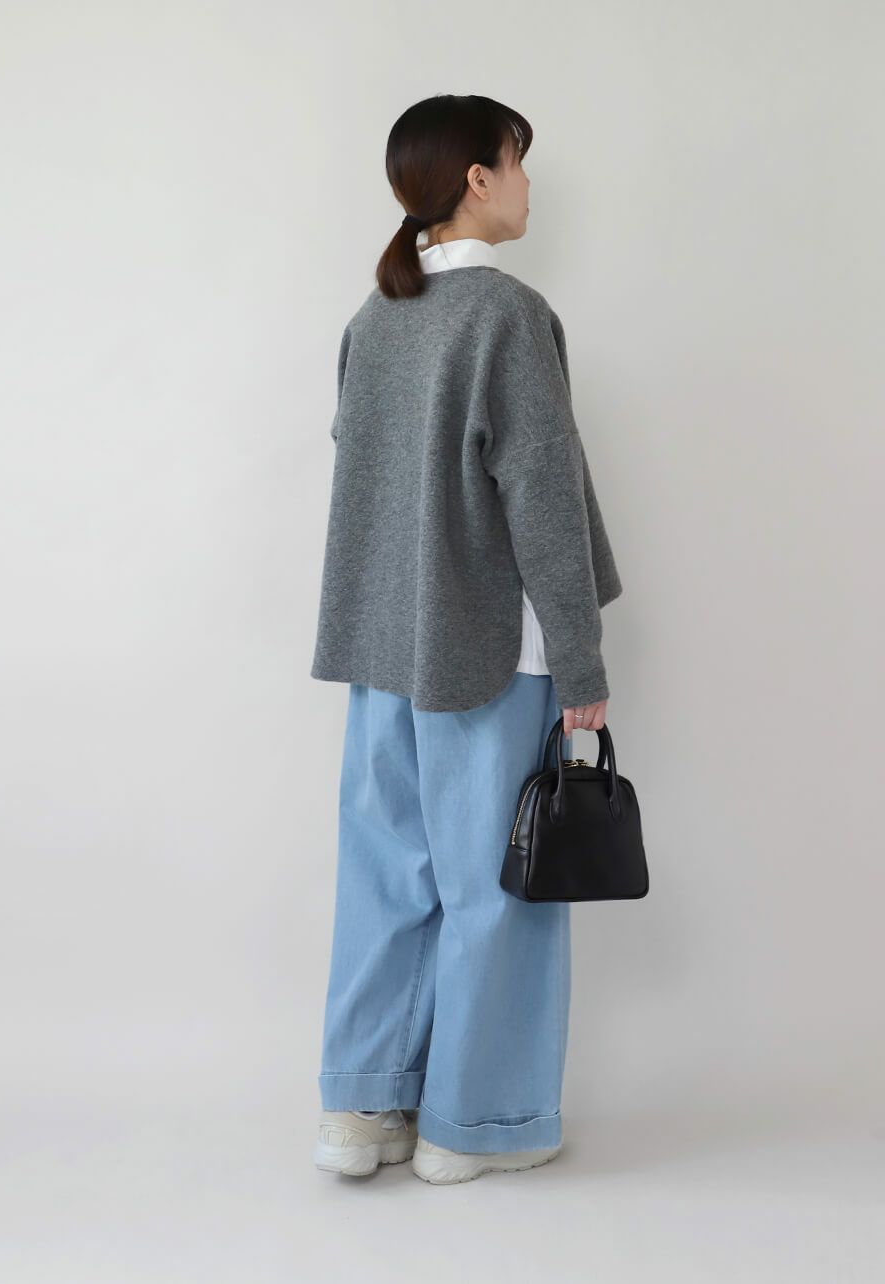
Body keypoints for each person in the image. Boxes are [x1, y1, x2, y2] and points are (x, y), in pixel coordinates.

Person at [310, 94, 624, 1184]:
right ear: (479, 180)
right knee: (497, 883)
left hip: (382, 648)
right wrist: (580, 663)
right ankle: (471, 1127)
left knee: (386, 876)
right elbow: (540, 501)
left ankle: (361, 1113)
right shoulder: (505, 315)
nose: (531, 187)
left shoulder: (374, 318)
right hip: (493, 649)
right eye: (519, 164)